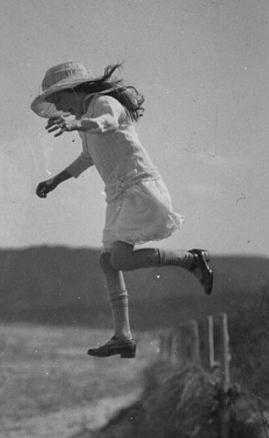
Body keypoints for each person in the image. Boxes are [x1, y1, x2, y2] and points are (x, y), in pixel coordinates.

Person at [32, 61, 213, 359]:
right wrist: (55, 181)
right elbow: (87, 158)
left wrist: (77, 124)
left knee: (120, 258)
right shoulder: (85, 119)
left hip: (139, 187)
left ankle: (190, 260)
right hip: (118, 194)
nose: (58, 107)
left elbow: (108, 124)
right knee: (109, 262)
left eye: (58, 99)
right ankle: (123, 336)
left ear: (73, 90)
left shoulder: (105, 103)